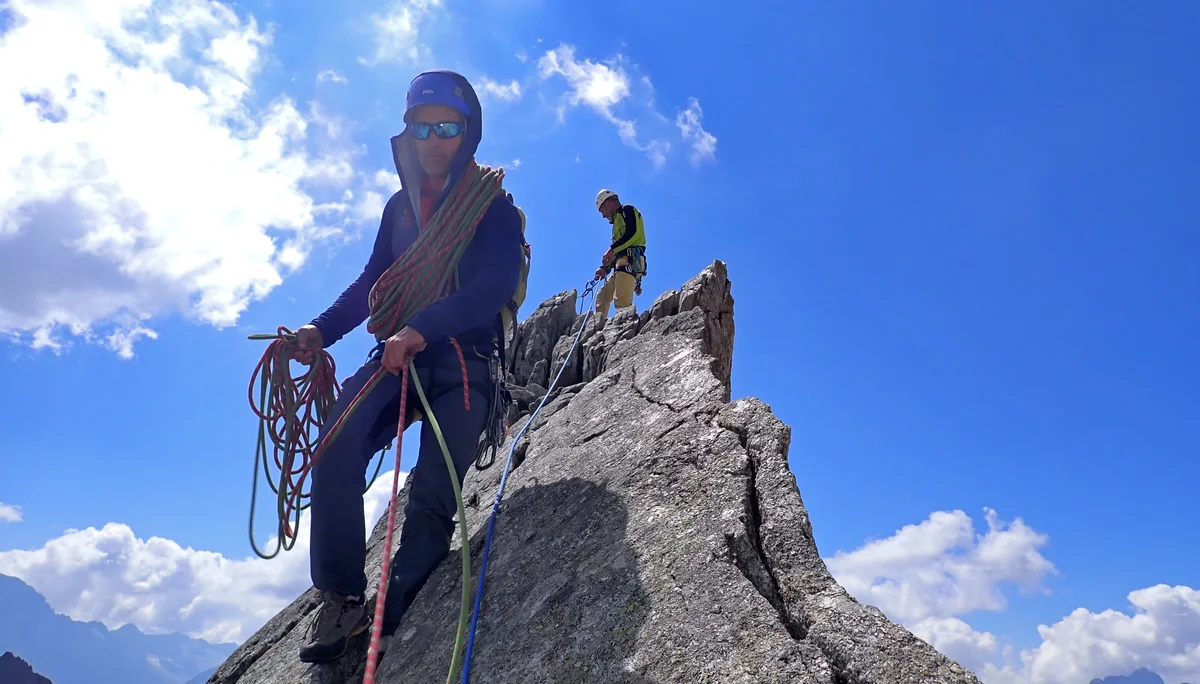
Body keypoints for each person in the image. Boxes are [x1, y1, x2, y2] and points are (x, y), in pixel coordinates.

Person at [288, 69, 524, 664]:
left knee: (432, 500)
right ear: (408, 131)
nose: (434, 137)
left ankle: (391, 611)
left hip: (464, 360)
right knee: (334, 447)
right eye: (422, 125)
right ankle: (342, 598)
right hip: (396, 355)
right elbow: (372, 282)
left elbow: (495, 282)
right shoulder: (399, 207)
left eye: (447, 125)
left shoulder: (490, 205)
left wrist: (424, 326)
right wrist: (322, 329)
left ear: (467, 132)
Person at [592, 189, 647, 321]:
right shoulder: (616, 224)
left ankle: (624, 330)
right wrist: (604, 268)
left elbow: (632, 233)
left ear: (609, 203)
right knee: (602, 297)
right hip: (621, 262)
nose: (603, 216)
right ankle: (598, 327)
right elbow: (617, 249)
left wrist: (612, 249)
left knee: (621, 301)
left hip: (630, 259)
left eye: (602, 210)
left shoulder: (627, 210)